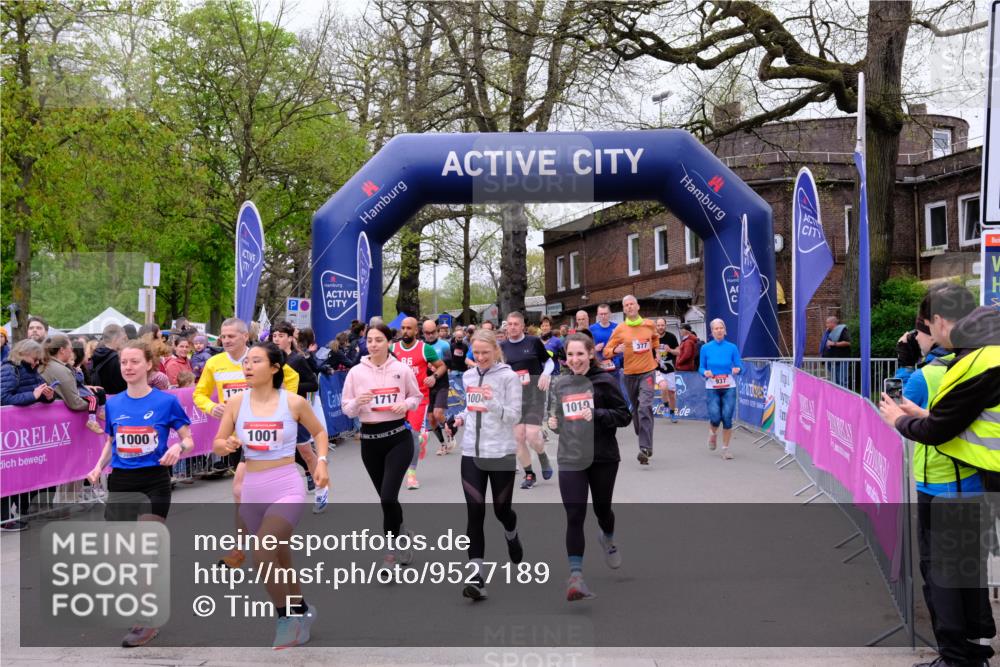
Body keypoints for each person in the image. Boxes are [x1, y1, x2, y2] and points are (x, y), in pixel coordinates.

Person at [879, 286, 999, 667]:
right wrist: (923, 416)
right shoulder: (980, 353)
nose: (928, 334)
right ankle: (968, 652)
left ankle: (959, 657)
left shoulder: (973, 363)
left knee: (948, 577)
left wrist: (902, 419)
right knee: (962, 575)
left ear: (941, 322)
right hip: (966, 484)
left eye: (928, 326)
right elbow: (956, 420)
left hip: (954, 487)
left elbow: (939, 431)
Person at [212, 342, 326, 649]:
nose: (247, 366)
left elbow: (319, 431)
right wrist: (226, 446)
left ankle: (286, 618)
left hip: (286, 484)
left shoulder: (293, 402)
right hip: (253, 488)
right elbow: (218, 443)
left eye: (256, 361)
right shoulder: (237, 403)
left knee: (262, 553)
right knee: (281, 557)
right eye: (246, 361)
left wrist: (321, 462)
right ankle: (301, 610)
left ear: (274, 368)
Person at [85, 340, 194, 648]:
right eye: (124, 363)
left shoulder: (166, 401)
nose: (128, 367)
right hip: (121, 482)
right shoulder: (116, 403)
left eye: (134, 362)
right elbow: (112, 442)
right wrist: (97, 468)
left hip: (153, 483)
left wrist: (176, 446)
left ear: (148, 365)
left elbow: (189, 440)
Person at [194, 318, 299, 568]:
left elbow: (292, 377)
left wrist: (282, 406)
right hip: (235, 434)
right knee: (244, 492)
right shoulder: (214, 363)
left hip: (262, 432)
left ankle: (242, 548)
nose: (226, 340)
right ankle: (263, 536)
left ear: (244, 336)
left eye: (231, 336)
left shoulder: (259, 358)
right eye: (223, 336)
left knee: (240, 489)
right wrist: (213, 407)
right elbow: (199, 394)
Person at [547, 334, 631, 601]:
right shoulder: (560, 384)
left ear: (590, 354)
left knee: (602, 509)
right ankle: (576, 577)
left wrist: (597, 414)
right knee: (574, 515)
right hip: (571, 457)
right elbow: (559, 418)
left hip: (603, 456)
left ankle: (607, 536)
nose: (575, 360)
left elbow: (624, 415)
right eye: (570, 355)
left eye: (580, 355)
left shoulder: (605, 381)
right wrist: (554, 423)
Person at [448, 328, 524, 601]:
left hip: (501, 453)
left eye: (485, 353)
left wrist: (491, 401)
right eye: (476, 353)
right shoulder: (468, 376)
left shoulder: (508, 378)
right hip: (472, 453)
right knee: (475, 512)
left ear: (496, 351)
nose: (479, 358)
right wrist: (458, 419)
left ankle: (511, 531)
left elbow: (513, 417)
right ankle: (476, 577)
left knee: (501, 511)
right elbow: (471, 408)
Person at [341, 323, 423, 570]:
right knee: (386, 500)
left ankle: (389, 554)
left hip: (398, 438)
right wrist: (357, 402)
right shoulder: (356, 372)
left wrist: (405, 405)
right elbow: (346, 407)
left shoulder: (401, 369)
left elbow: (416, 398)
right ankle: (401, 532)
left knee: (388, 496)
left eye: (378, 340)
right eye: (370, 340)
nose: (373, 344)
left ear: (388, 342)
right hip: (370, 442)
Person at [271, 321, 328, 514]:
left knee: (305, 451)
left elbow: (313, 384)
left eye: (280, 335)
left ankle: (321, 487)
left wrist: (291, 389)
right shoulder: (269, 359)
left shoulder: (296, 360)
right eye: (274, 335)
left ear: (289, 338)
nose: (277, 339)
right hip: (274, 412)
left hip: (295, 411)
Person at [0, 339, 56, 531]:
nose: (37, 363)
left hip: (26, 435)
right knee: (10, 476)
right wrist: (33, 396)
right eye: (35, 359)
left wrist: (49, 397)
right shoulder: (8, 370)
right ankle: (6, 517)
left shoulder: (32, 371)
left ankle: (22, 512)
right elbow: (4, 398)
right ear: (24, 354)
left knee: (25, 475)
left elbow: (40, 391)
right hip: (11, 434)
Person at [500, 312, 555, 489]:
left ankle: (542, 455)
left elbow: (549, 362)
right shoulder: (502, 347)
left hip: (534, 395)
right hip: (513, 399)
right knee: (519, 437)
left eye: (516, 324)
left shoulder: (533, 342)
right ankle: (529, 474)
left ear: (523, 326)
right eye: (509, 324)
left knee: (532, 436)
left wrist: (545, 374)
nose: (512, 327)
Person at [390, 317, 445, 490]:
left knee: (412, 434)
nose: (405, 331)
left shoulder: (425, 349)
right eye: (403, 328)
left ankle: (411, 475)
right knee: (399, 434)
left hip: (418, 399)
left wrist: (433, 377)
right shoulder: (393, 348)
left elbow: (442, 366)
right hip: (398, 398)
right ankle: (422, 439)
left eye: (409, 328)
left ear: (416, 331)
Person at [605, 296, 659, 465]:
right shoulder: (621, 329)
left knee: (645, 407)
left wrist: (655, 353)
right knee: (636, 410)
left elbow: (655, 339)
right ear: (624, 309)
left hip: (648, 372)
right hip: (629, 374)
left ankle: (645, 448)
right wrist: (615, 349)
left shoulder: (649, 324)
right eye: (626, 305)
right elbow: (606, 351)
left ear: (638, 306)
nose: (629, 307)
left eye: (631, 304)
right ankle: (641, 431)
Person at [41, 334, 105, 433]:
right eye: (70, 348)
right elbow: (75, 403)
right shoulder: (62, 370)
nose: (72, 351)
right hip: (60, 426)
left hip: (50, 423)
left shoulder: (46, 364)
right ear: (62, 350)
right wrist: (93, 403)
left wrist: (85, 388)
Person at [699, 318, 743, 460]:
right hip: (712, 386)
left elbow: (740, 366)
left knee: (727, 418)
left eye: (721, 328)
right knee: (715, 417)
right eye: (715, 329)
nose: (718, 330)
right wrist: (705, 372)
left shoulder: (732, 347)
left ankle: (725, 449)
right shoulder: (706, 348)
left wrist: (737, 369)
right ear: (712, 332)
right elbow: (701, 367)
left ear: (725, 330)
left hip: (729, 386)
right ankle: (712, 433)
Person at [422, 319, 455, 456]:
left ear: (437, 331)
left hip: (441, 382)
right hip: (427, 385)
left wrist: (435, 370)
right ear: (423, 333)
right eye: (427, 333)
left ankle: (450, 432)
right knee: (431, 418)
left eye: (432, 332)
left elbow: (447, 364)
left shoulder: (444, 345)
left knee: (437, 413)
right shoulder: (421, 347)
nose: (430, 335)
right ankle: (442, 444)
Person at [90, 323, 128, 394]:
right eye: (123, 339)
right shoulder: (117, 359)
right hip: (117, 398)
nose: (124, 342)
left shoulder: (96, 355)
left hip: (101, 399)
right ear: (115, 339)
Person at [654, 318, 680, 423]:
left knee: (672, 394)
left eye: (662, 325)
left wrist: (670, 350)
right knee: (663, 387)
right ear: (656, 326)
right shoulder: (653, 338)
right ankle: (665, 406)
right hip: (657, 369)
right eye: (659, 325)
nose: (661, 327)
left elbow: (678, 352)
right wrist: (654, 358)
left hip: (669, 369)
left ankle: (672, 413)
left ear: (665, 325)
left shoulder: (671, 337)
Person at [820, 315, 851, 388]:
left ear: (833, 323)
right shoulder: (828, 332)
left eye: (827, 323)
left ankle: (844, 397)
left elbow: (848, 342)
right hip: (831, 360)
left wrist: (833, 343)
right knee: (835, 381)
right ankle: (836, 397)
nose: (826, 325)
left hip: (841, 360)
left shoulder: (842, 330)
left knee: (842, 381)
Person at [590, 304, 619, 372]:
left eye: (605, 314)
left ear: (610, 314)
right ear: (597, 314)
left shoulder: (617, 327)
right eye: (601, 314)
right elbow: (587, 347)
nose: (603, 316)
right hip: (599, 364)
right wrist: (595, 348)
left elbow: (621, 344)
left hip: (614, 365)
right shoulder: (592, 328)